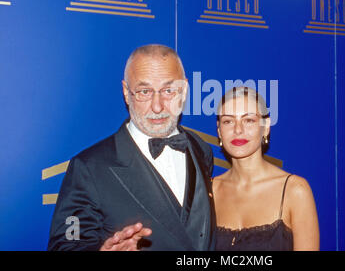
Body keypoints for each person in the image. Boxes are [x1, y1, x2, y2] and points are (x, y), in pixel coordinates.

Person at [48, 44, 215, 251]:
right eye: (145, 91)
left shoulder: (200, 149)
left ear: (184, 90)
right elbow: (66, 244)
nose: (157, 106)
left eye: (169, 90)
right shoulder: (88, 168)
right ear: (126, 93)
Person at [212, 87, 319, 251]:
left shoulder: (294, 190)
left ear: (266, 126)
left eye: (249, 120)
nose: (238, 129)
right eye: (228, 121)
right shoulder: (209, 191)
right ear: (219, 131)